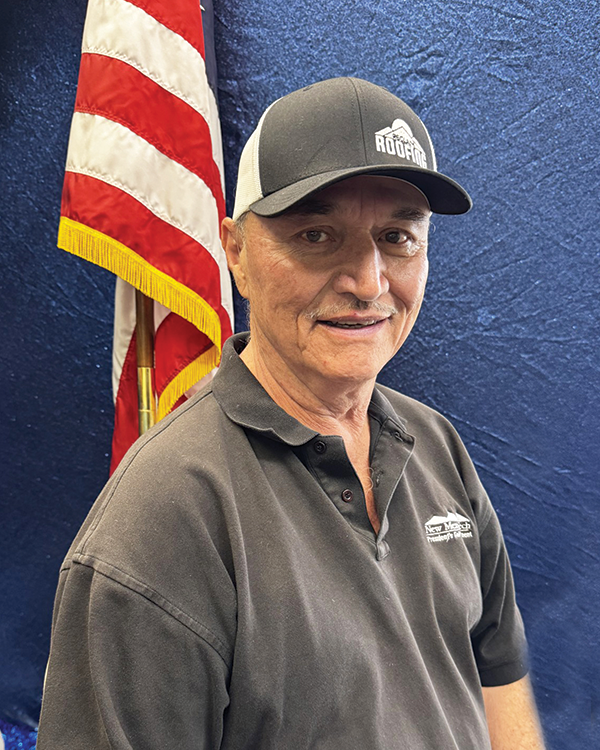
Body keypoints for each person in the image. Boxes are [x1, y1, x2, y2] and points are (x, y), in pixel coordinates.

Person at [37, 77, 546, 749]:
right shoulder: (162, 519)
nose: (368, 282)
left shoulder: (435, 445)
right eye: (315, 235)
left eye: (397, 237)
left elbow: (498, 681)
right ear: (237, 254)